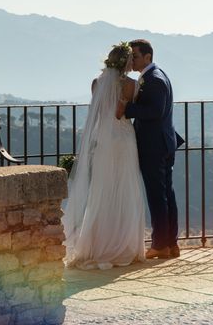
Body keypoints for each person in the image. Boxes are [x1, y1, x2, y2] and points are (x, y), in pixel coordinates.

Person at [62, 42, 146, 269]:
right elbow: (120, 114)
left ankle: (97, 243)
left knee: (101, 190)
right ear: (126, 62)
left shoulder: (96, 83)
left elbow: (99, 114)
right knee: (124, 189)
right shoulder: (129, 84)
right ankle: (124, 244)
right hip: (122, 139)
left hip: (103, 141)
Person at [118, 39, 183, 259]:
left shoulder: (153, 79)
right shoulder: (156, 76)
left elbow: (155, 111)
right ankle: (171, 244)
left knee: (158, 196)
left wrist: (128, 108)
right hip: (164, 143)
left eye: (135, 56)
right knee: (166, 194)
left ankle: (160, 245)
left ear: (147, 57)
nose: (132, 60)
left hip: (154, 145)